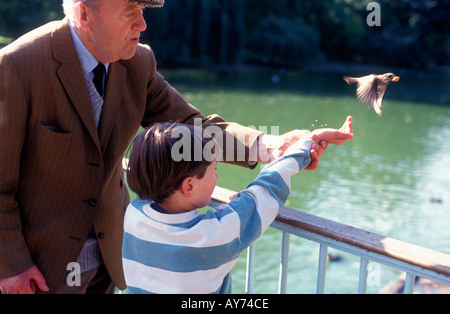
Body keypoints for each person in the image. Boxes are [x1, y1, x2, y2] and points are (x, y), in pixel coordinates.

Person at [0, 0, 353, 294]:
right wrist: (11, 265)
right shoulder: (16, 66)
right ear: (84, 14)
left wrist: (270, 146)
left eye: (142, 8)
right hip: (35, 274)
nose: (142, 23)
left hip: (111, 265)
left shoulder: (138, 62)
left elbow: (192, 130)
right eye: (129, 10)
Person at [122, 118, 353, 294]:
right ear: (189, 186)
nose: (217, 175)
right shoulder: (216, 234)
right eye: (213, 169)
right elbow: (267, 189)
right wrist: (303, 147)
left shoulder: (134, 214)